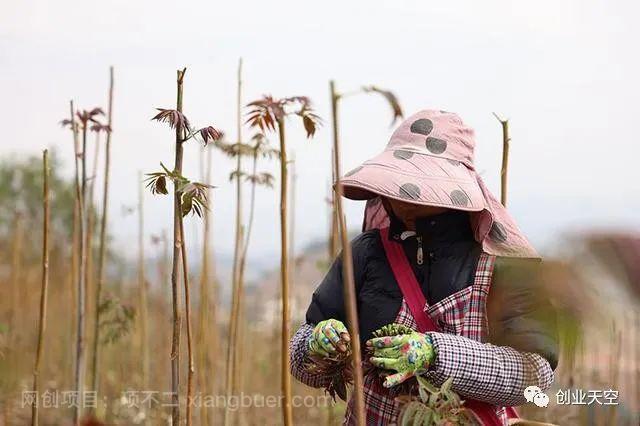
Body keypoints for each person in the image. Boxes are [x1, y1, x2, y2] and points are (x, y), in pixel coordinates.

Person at [289, 110, 558, 425]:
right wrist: (316, 346)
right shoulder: (367, 254)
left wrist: (435, 353)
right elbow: (302, 359)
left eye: (418, 184)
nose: (403, 197)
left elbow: (535, 377)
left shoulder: (503, 265)